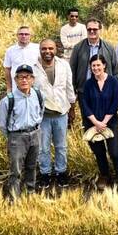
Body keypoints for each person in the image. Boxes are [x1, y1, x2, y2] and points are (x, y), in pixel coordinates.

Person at [34, 39, 77, 189]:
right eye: (44, 48)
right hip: (43, 116)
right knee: (43, 147)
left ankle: (61, 172)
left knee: (61, 146)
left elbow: (69, 87)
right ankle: (45, 173)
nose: (47, 51)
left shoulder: (64, 65)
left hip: (61, 113)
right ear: (40, 50)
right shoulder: (34, 67)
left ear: (56, 49)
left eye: (50, 48)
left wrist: (72, 108)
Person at [0, 64, 44, 198]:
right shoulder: (8, 100)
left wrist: (35, 127)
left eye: (27, 77)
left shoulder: (38, 95)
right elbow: (1, 124)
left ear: (32, 79)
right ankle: (14, 197)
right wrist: (13, 136)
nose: (24, 80)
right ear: (16, 80)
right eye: (21, 77)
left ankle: (30, 192)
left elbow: (41, 112)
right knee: (15, 170)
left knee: (32, 166)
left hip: (35, 134)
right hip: (17, 137)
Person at [81, 54, 118, 191]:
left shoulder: (112, 82)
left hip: (109, 123)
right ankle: (105, 176)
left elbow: (115, 103)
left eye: (98, 65)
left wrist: (104, 122)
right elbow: (85, 105)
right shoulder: (88, 84)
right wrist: (96, 123)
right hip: (92, 124)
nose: (96, 68)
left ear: (104, 65)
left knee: (115, 152)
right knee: (99, 152)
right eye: (93, 65)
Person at [70, 18, 118, 98]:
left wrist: (115, 88)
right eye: (89, 29)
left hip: (105, 91)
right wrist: (73, 90)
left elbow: (116, 70)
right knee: (86, 111)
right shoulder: (78, 48)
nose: (91, 31)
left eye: (95, 29)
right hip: (84, 91)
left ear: (100, 30)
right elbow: (72, 70)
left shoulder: (109, 47)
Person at [3, 26, 40, 94]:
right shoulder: (10, 50)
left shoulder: (37, 48)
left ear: (30, 36)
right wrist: (9, 87)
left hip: (35, 85)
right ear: (17, 35)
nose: (23, 36)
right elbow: (7, 69)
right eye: (21, 34)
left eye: (26, 34)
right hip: (17, 85)